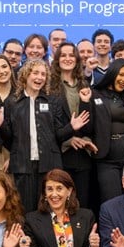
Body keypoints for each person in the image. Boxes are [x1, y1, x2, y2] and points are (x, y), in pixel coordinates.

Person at [0, 59, 89, 212]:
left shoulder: (53, 101)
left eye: (43, 74)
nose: (40, 77)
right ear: (25, 75)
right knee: (23, 208)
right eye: (35, 73)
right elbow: (9, 140)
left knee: (49, 208)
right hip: (22, 166)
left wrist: (71, 127)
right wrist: (0, 126)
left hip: (49, 164)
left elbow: (58, 136)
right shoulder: (12, 102)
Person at [91, 59, 124, 205]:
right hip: (107, 159)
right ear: (112, 73)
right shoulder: (94, 94)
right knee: (111, 202)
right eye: (121, 75)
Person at [48, 42, 95, 207]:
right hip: (61, 154)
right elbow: (48, 125)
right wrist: (69, 138)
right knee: (62, 204)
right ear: (57, 59)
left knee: (83, 203)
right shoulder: (49, 86)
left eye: (71, 55)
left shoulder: (85, 85)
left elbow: (89, 121)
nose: (67, 58)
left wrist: (85, 139)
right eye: (63, 55)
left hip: (83, 154)